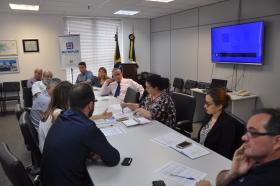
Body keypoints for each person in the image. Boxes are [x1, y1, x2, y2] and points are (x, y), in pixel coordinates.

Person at [40, 83, 120, 186]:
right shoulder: (87, 127)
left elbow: (71, 145)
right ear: (90, 104)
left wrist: (89, 154)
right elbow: (113, 158)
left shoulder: (61, 117)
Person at [196, 108, 280, 186]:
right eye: (247, 131)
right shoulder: (258, 163)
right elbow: (219, 183)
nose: (243, 137)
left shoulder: (264, 180)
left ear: (277, 141)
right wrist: (233, 173)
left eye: (253, 133)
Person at [39, 81, 113, 152]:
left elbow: (78, 117)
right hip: (52, 154)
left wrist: (100, 116)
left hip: (49, 150)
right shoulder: (58, 114)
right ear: (67, 98)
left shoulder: (53, 109)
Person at [197, 88, 239, 159]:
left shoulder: (227, 123)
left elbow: (224, 152)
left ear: (219, 106)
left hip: (213, 159)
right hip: (201, 153)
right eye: (205, 102)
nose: (205, 106)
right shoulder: (209, 115)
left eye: (208, 104)